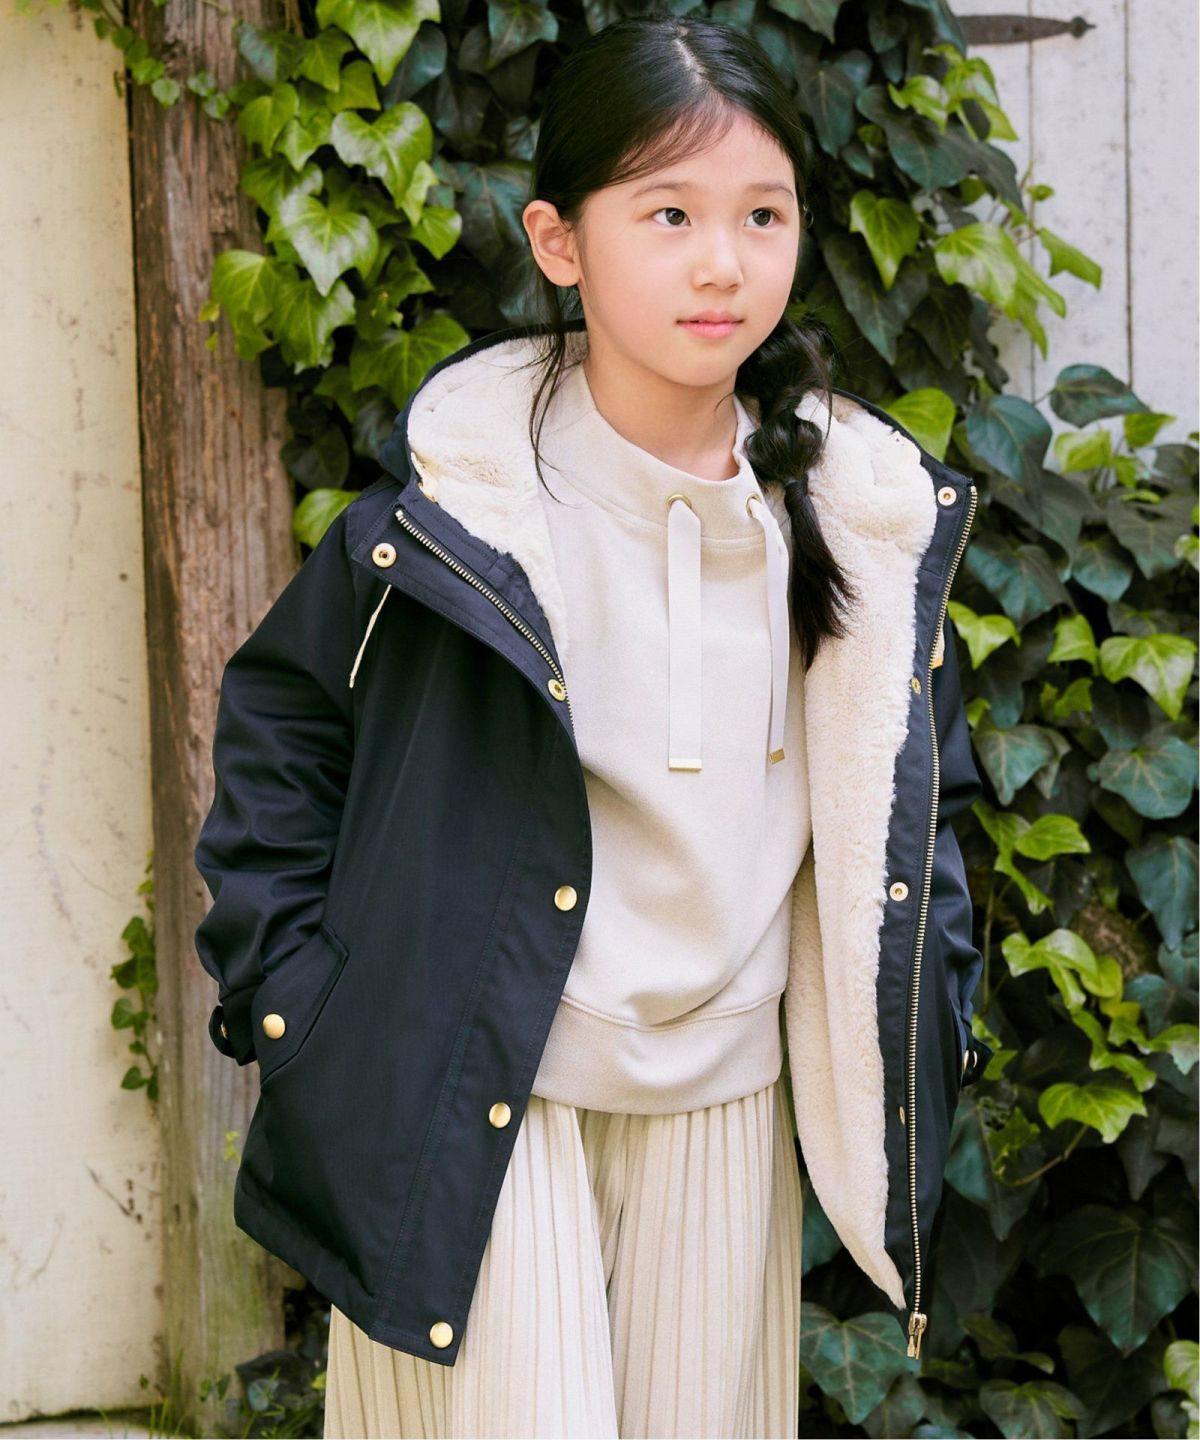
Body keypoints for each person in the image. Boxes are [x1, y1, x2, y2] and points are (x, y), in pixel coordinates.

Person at [194, 12, 991, 1439]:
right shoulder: (459, 514)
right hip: (479, 1083)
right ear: (560, 242)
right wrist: (298, 1006)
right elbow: (280, 732)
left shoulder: (859, 525)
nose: (721, 262)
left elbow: (920, 823)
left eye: (762, 214)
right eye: (669, 214)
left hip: (727, 1102)